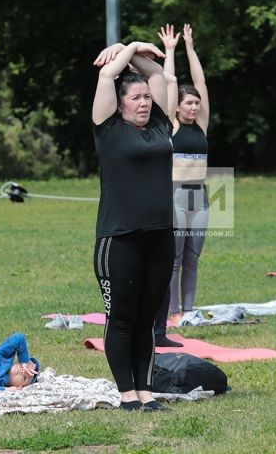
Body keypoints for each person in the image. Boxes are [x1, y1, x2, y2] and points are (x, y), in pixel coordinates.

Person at [91, 41, 175, 411]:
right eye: (135, 97)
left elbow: (158, 74)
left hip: (160, 237)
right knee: (122, 318)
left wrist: (139, 53)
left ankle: (146, 389)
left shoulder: (160, 122)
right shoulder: (107, 128)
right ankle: (126, 392)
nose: (143, 102)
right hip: (119, 239)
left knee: (148, 318)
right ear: (120, 102)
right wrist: (129, 47)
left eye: (146, 97)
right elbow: (108, 73)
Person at [157, 23, 211, 329]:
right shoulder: (172, 127)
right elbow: (169, 82)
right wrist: (171, 50)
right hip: (176, 194)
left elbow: (200, 83)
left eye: (196, 103)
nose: (194, 106)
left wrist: (191, 47)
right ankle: (172, 311)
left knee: (193, 258)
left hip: (200, 196)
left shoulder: (201, 125)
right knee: (174, 259)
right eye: (189, 103)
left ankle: (189, 309)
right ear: (178, 107)